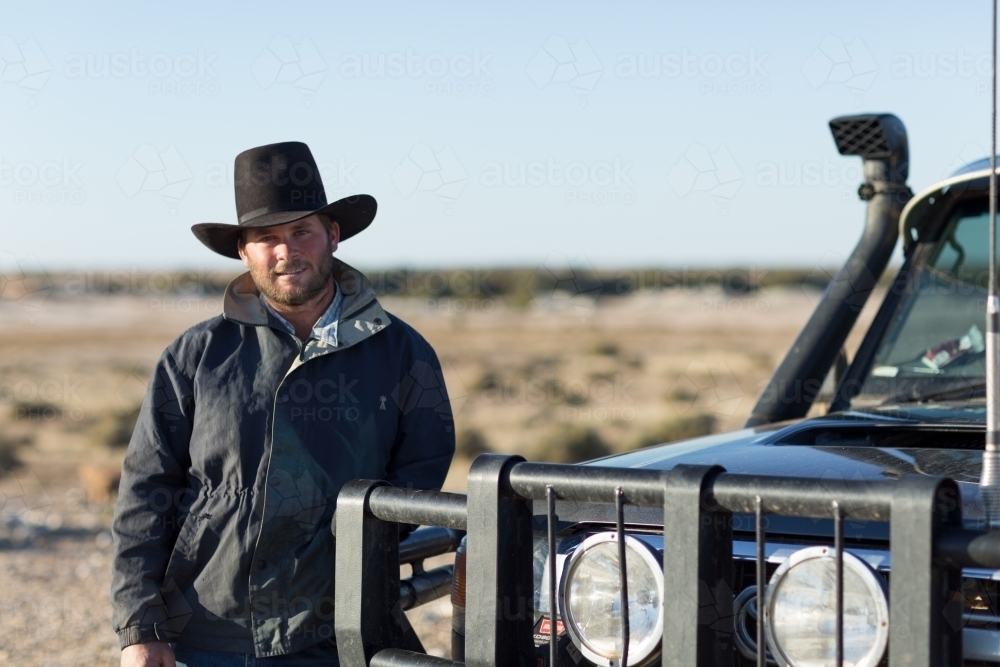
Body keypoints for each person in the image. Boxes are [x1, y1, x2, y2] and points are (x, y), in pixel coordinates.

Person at [111, 142, 456, 667]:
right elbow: (145, 491)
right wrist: (140, 625)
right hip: (207, 631)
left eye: (301, 233)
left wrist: (345, 546)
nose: (285, 251)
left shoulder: (402, 353)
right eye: (266, 238)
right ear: (243, 253)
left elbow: (419, 478)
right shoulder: (195, 355)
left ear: (332, 236)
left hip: (337, 632)